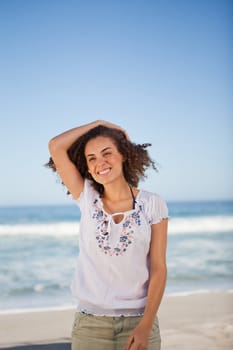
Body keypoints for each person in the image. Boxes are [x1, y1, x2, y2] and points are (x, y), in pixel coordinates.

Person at [47, 120, 168, 350]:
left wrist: (146, 325)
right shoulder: (87, 197)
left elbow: (159, 268)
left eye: (106, 153)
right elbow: (56, 146)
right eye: (91, 158)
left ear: (123, 155)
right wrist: (100, 123)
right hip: (90, 325)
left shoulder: (152, 203)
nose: (99, 162)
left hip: (139, 321)